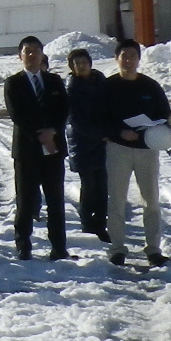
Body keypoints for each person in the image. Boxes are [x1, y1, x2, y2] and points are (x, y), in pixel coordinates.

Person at [104, 38, 171, 267]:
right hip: (118, 149)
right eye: (124, 55)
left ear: (138, 59)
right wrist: (119, 133)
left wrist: (152, 129)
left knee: (151, 199)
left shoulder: (150, 86)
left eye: (132, 56)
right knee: (117, 200)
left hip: (147, 149)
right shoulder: (108, 87)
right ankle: (117, 248)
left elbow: (164, 112)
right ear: (117, 58)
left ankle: (153, 248)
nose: (128, 60)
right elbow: (97, 117)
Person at [4, 36, 71, 261]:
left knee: (55, 200)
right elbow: (17, 115)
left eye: (36, 51)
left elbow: (63, 109)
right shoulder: (13, 83)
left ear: (43, 54)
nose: (32, 55)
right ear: (20, 56)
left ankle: (59, 246)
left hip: (53, 149)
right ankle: (23, 244)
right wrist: (40, 134)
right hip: (27, 150)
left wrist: (51, 131)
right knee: (25, 200)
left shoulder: (53, 81)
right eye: (27, 51)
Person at [64, 48, 110, 241]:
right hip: (82, 142)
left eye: (84, 62)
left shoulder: (102, 82)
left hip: (103, 141)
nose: (81, 66)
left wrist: (109, 131)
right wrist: (100, 135)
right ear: (72, 68)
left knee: (103, 185)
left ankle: (101, 223)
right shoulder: (71, 88)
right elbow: (74, 119)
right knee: (89, 185)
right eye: (77, 63)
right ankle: (87, 224)